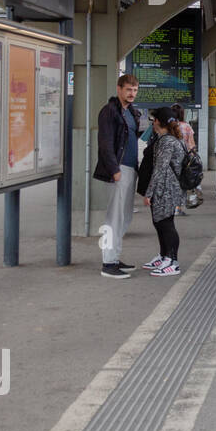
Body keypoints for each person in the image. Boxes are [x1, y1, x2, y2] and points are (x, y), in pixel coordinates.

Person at [93, 73, 144, 279]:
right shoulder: (109, 112)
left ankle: (114, 256)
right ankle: (108, 262)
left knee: (124, 217)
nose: (132, 94)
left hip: (130, 168)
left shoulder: (131, 112)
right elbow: (105, 143)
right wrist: (114, 170)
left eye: (135, 90)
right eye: (128, 90)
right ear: (119, 89)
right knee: (113, 217)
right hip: (119, 170)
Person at [142, 106, 186, 277]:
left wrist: (149, 192)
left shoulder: (167, 141)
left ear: (157, 121)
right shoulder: (172, 138)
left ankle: (172, 261)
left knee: (166, 224)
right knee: (160, 222)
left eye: (154, 120)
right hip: (168, 188)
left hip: (167, 189)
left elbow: (160, 169)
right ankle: (164, 256)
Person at [171, 102, 198, 213]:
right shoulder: (186, 126)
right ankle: (178, 207)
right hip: (184, 160)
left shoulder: (169, 126)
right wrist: (194, 155)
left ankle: (170, 207)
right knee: (182, 183)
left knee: (171, 183)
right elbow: (191, 144)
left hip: (170, 159)